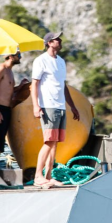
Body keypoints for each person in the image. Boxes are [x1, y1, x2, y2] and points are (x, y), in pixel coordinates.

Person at [31, 32, 80, 188]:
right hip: (48, 106)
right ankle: (38, 176)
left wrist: (72, 106)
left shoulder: (61, 62)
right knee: (49, 141)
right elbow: (35, 84)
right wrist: (36, 106)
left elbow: (63, 85)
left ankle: (48, 175)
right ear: (49, 43)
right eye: (57, 39)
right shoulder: (41, 61)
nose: (60, 40)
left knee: (55, 143)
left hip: (60, 106)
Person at [0, 51, 28, 172]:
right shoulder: (1, 69)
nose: (20, 57)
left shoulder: (9, 71)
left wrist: (19, 87)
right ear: (10, 56)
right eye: (18, 55)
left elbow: (6, 91)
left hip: (6, 109)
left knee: (1, 142)